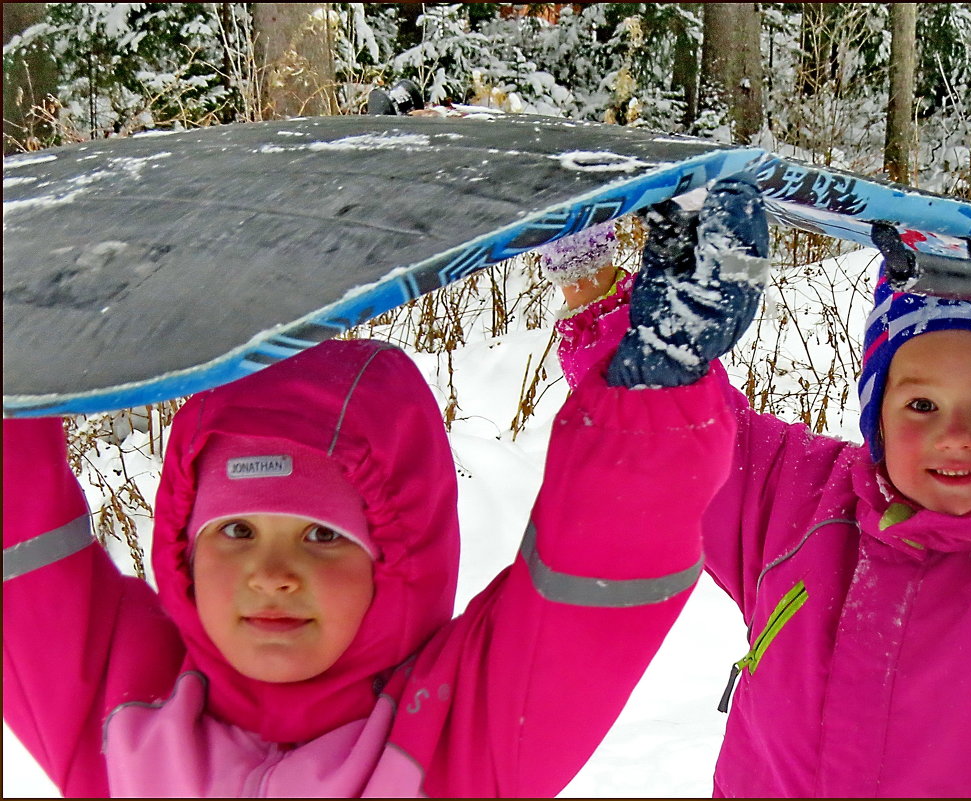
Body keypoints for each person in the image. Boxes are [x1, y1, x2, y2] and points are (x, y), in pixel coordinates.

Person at [0, 181, 767, 797]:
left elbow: (592, 591)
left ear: (395, 560)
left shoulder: (457, 740)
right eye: (236, 531)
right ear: (182, 550)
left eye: (322, 533)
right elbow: (17, 546)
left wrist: (656, 386)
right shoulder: (122, 715)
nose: (272, 572)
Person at [551, 178, 971, 797]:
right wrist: (590, 282)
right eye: (921, 405)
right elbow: (675, 435)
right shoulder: (801, 504)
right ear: (877, 415)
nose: (955, 434)